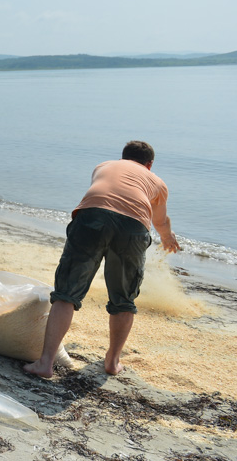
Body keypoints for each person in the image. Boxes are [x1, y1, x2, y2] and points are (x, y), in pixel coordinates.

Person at [24, 141, 180, 378]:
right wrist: (168, 239)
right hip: (133, 227)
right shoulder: (157, 182)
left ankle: (45, 363)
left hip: (92, 217)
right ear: (150, 165)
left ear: (123, 157)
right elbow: (160, 221)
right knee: (124, 300)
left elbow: (105, 197)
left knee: (67, 293)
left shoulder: (104, 166)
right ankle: (112, 362)